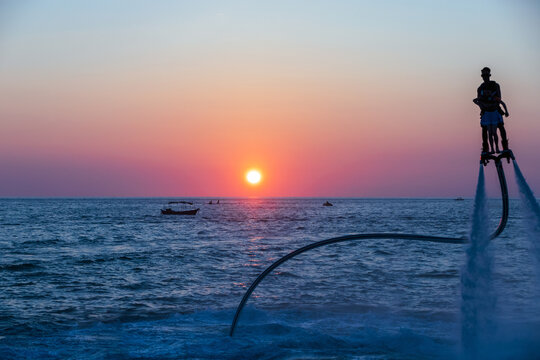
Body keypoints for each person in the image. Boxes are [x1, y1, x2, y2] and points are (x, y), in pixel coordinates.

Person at [473, 67, 510, 153]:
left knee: (501, 127)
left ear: (489, 76)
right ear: (482, 76)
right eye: (483, 75)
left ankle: (505, 146)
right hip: (486, 111)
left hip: (495, 109)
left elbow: (499, 98)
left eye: (486, 75)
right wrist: (482, 104)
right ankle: (486, 148)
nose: (485, 77)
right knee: (484, 130)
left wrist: (492, 99)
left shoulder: (495, 85)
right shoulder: (480, 88)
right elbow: (479, 100)